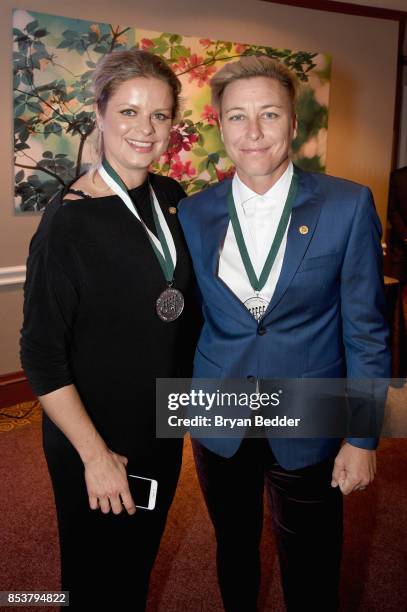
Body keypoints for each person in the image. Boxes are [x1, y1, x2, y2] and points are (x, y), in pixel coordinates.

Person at [178, 56, 390, 611]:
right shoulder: (194, 212)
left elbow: (367, 330)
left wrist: (363, 436)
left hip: (309, 408)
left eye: (269, 115)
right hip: (217, 409)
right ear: (220, 125)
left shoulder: (347, 205)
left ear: (293, 124)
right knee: (233, 547)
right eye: (237, 117)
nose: (253, 133)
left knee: (313, 558)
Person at [20, 49, 199, 610]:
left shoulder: (170, 198)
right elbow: (42, 357)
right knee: (95, 575)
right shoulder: (67, 224)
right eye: (128, 112)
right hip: (95, 437)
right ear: (99, 113)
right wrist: (95, 457)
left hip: (161, 425)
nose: (145, 130)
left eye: (160, 115)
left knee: (136, 562)